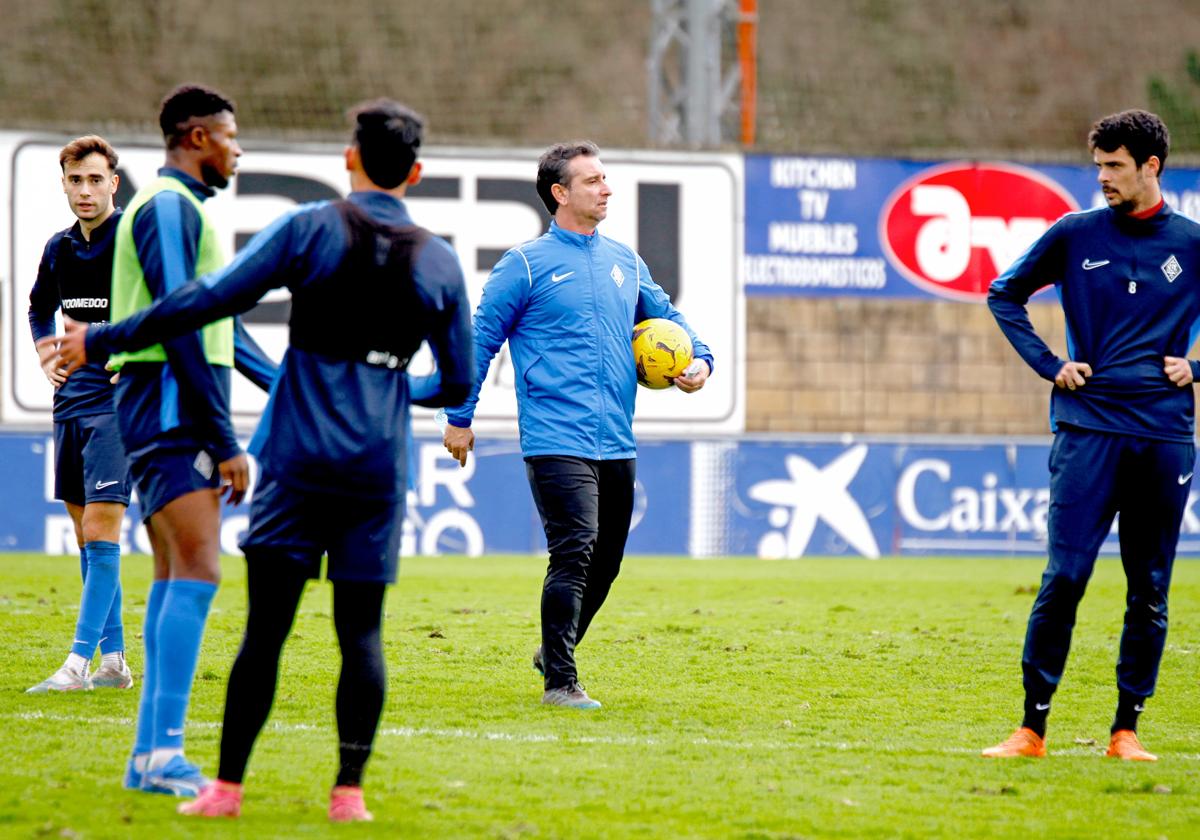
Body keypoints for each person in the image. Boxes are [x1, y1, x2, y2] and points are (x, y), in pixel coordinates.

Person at [51, 98, 473, 821]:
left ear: (350, 157)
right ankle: (348, 796)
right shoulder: (439, 260)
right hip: (377, 466)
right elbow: (459, 381)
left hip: (299, 459)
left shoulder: (308, 228)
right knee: (361, 632)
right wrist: (398, 386)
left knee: (265, 629)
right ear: (419, 170)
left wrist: (103, 338)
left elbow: (206, 301)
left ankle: (225, 788)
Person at [47, 84, 278, 796]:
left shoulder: (175, 209)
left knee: (178, 572)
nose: (239, 148)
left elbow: (212, 323)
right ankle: (162, 754)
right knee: (199, 566)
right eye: (231, 135)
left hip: (161, 405)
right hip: (172, 410)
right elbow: (181, 318)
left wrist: (285, 383)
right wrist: (224, 436)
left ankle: (151, 756)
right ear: (198, 137)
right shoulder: (171, 206)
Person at [442, 141, 713, 710]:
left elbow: (671, 319)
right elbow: (479, 341)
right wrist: (459, 418)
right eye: (592, 181)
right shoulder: (523, 265)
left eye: (605, 179)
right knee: (575, 550)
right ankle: (560, 682)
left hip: (615, 435)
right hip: (554, 435)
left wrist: (700, 360)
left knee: (607, 561)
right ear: (560, 194)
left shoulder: (625, 261)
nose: (606, 189)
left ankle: (553, 646)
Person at [984, 109, 1199, 762]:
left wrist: (1198, 366)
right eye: (1098, 165)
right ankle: (1031, 729)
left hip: (1164, 436)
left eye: (1114, 166)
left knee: (1150, 587)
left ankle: (1125, 731)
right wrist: (1052, 365)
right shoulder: (1074, 235)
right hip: (1087, 430)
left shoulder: (1191, 243)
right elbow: (1004, 294)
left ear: (1150, 167)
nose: (1102, 177)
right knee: (1065, 577)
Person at [25, 135, 133, 694]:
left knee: (100, 526)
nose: (85, 189)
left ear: (113, 183)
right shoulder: (58, 248)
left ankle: (77, 663)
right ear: (64, 182)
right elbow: (40, 306)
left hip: (119, 403)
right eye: (75, 179)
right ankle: (114, 659)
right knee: (81, 528)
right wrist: (47, 351)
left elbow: (167, 306)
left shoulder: (133, 241)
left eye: (95, 179)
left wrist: (134, 358)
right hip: (71, 399)